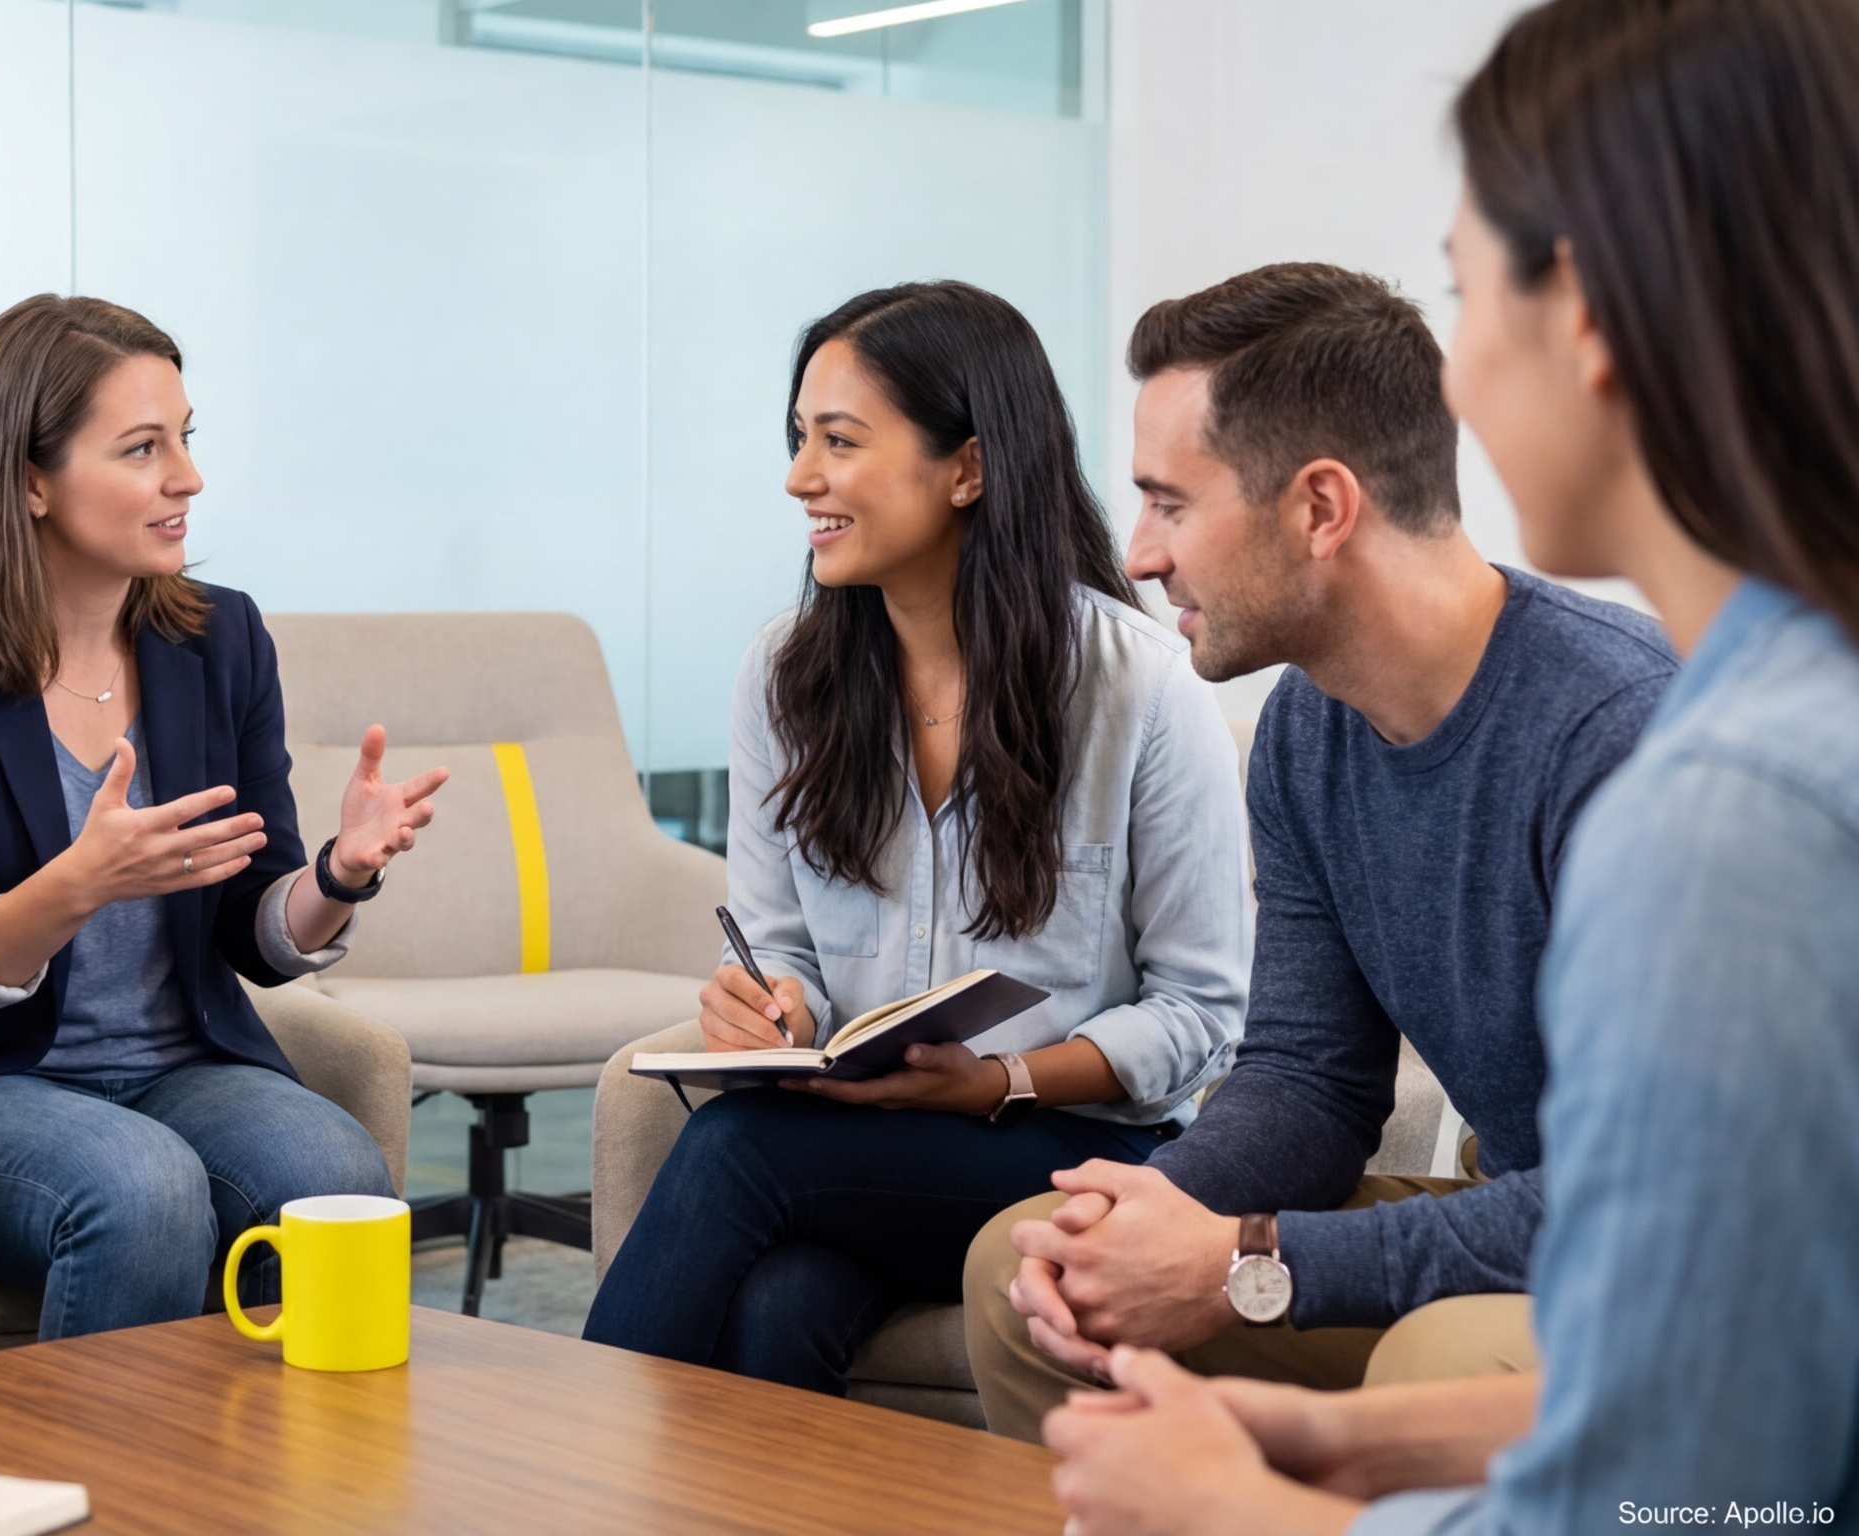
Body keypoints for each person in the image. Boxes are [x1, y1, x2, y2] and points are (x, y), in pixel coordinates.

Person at [1041, 0, 1859, 1530]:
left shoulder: (1713, 802)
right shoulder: (1773, 732)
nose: (1459, 385)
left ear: (1595, 318)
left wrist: (1254, 1497)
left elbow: (1726, 1495)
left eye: (1465, 293)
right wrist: (1336, 1436)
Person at [959, 262, 1676, 1439]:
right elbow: (1309, 1079)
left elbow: (1653, 1198)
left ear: (1320, 508)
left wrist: (1250, 1258)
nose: (1138, 555)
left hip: (1721, 1269)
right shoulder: (1305, 733)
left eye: (1170, 504)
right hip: (1541, 1230)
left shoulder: (1617, 734)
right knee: (1026, 1268)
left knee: (1442, 1364)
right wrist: (1160, 1217)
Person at [578, 281, 1252, 1393]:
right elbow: (779, 943)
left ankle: (556, 1487)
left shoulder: (1138, 690)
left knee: (736, 1153)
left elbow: (1200, 1018)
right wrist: (771, 1004)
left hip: (1082, 1152)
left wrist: (997, 1086)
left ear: (968, 468)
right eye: (799, 441)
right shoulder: (784, 680)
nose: (801, 479)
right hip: (857, 1151)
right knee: (779, 1306)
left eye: (838, 442)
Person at [0, 294, 443, 1340]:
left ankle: (294, 1492)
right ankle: (114, 1498)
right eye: (143, 448)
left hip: (177, 1064)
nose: (187, 477)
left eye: (186, 439)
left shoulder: (220, 638)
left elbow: (252, 919)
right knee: (137, 1188)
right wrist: (75, 886)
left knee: (336, 1173)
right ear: (28, 478)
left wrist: (337, 876)